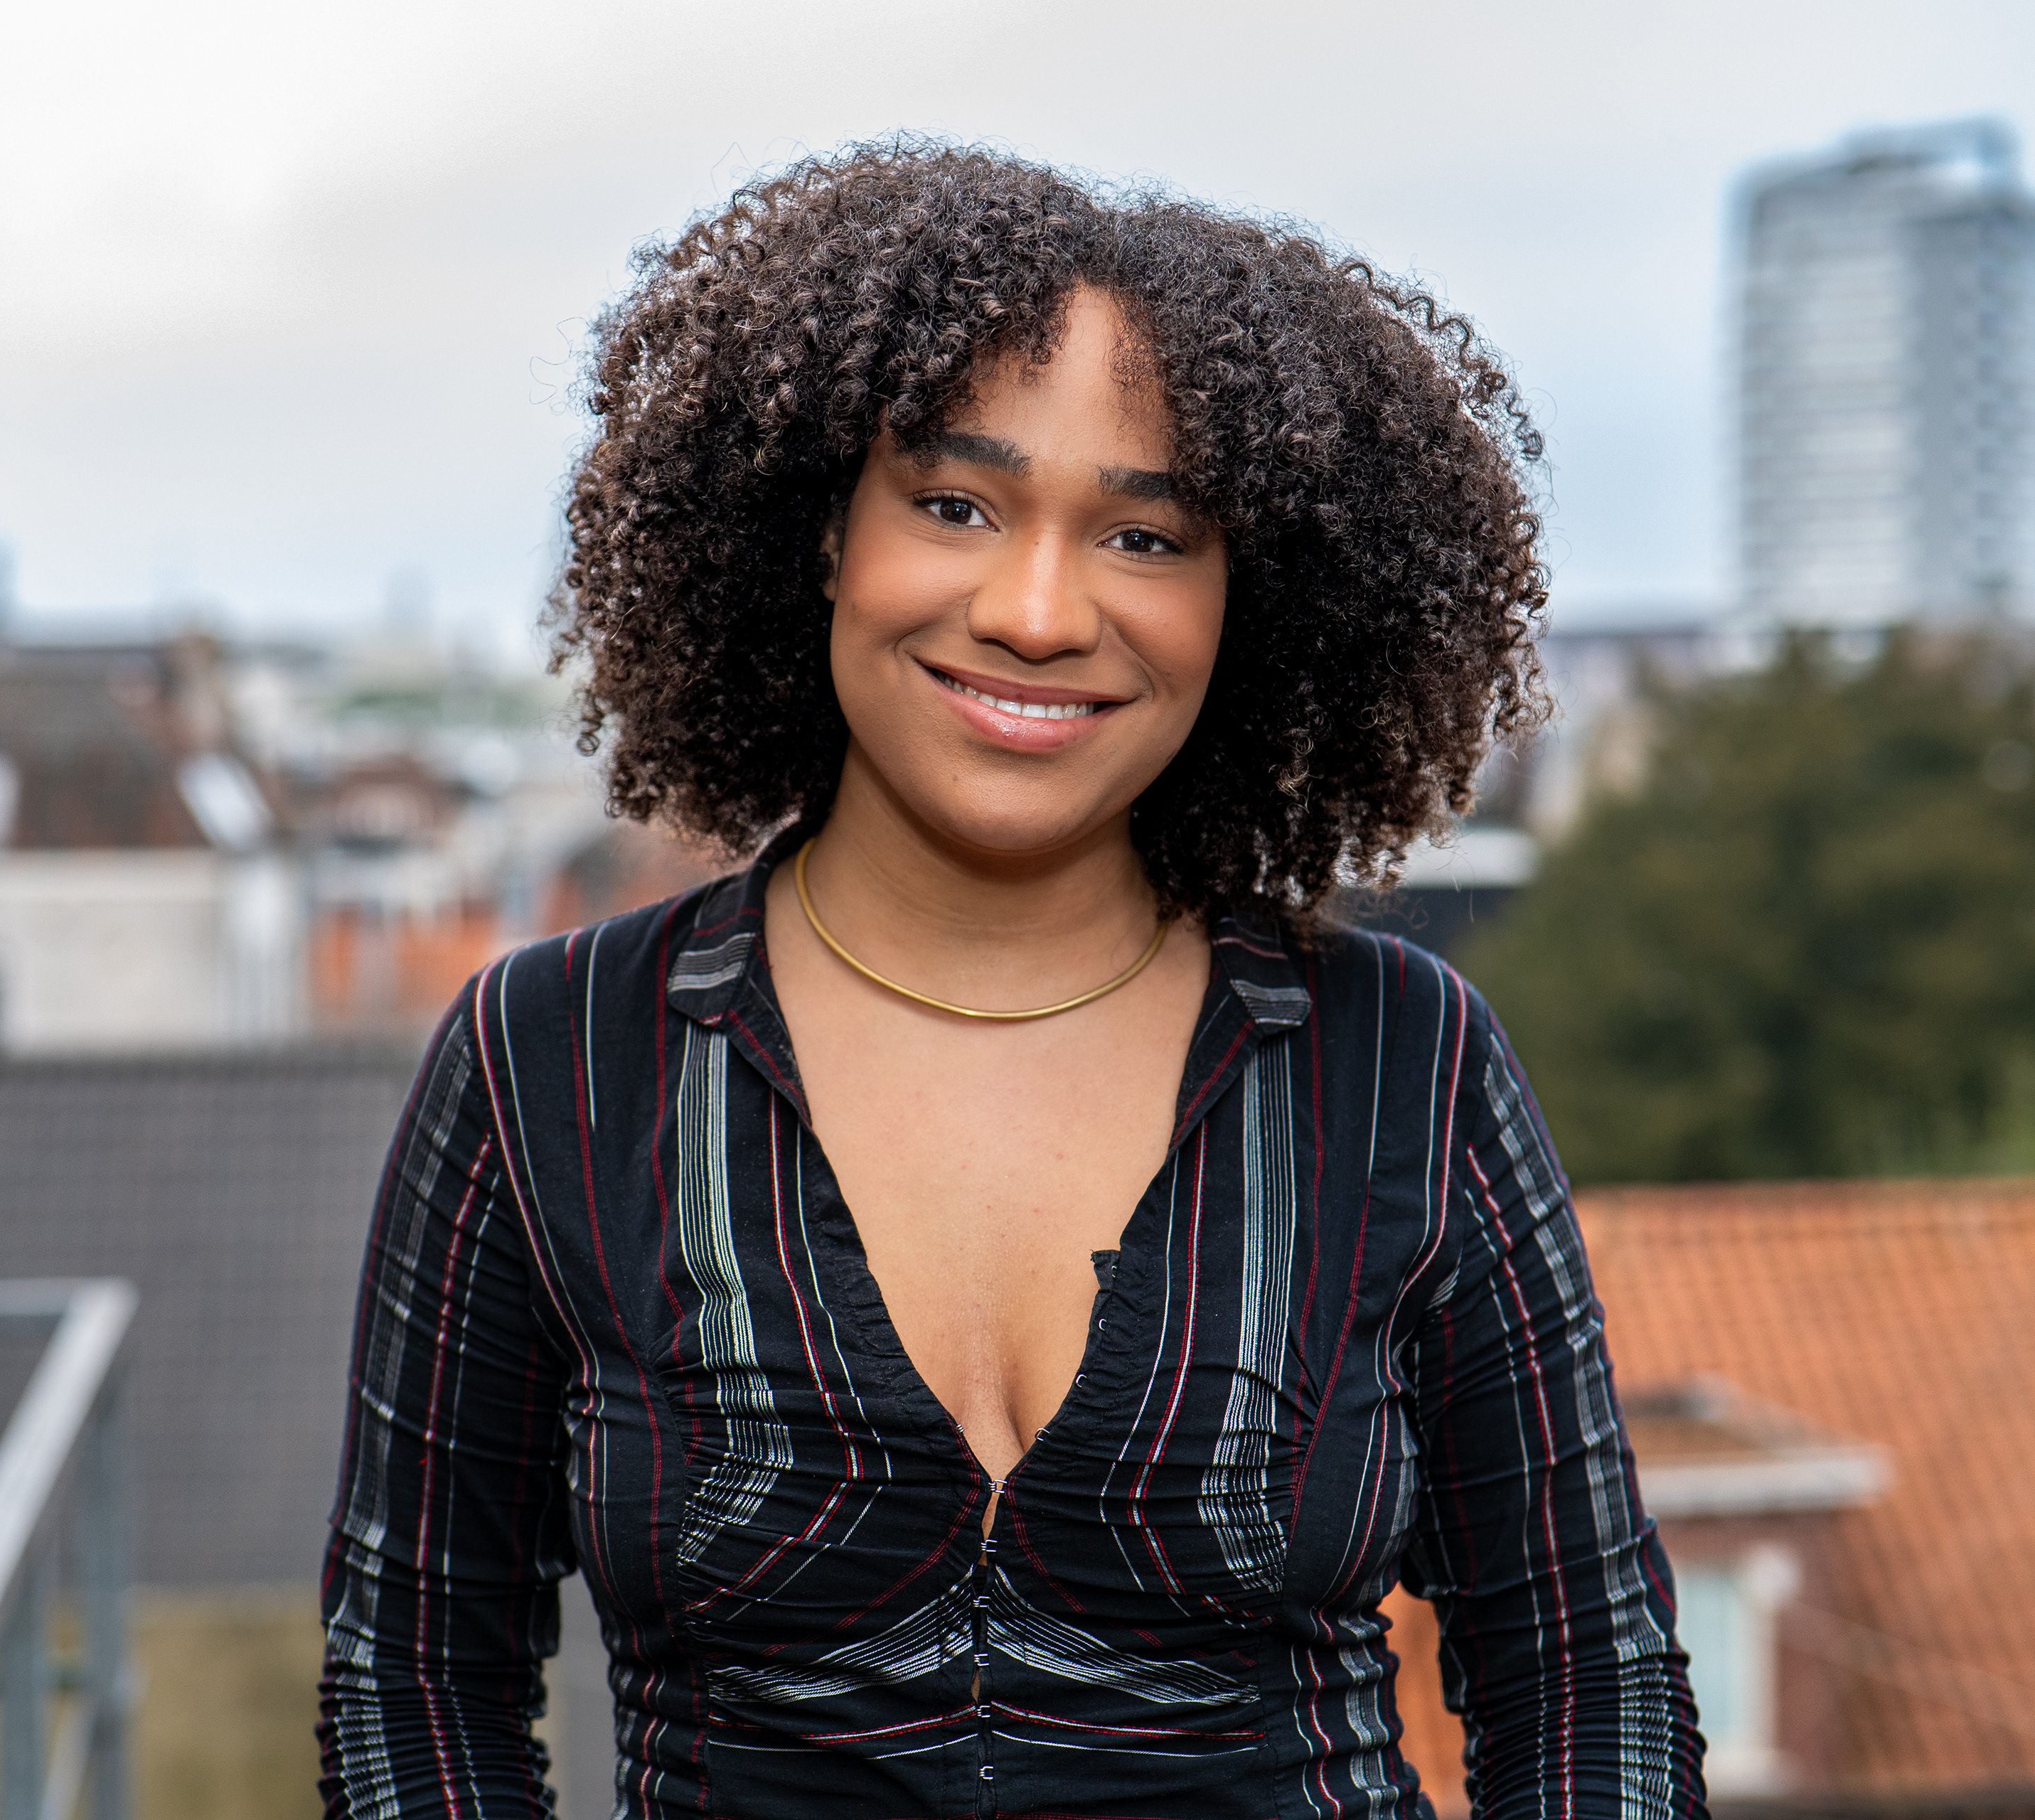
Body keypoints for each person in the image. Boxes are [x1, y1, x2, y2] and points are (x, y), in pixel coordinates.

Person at [318, 143, 1704, 1820]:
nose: (1039, 611)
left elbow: (1590, 1678)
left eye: (1144, 532)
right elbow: (413, 1682)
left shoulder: (1403, 1059)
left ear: (1249, 602)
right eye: (956, 504)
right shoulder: (553, 1056)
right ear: (821, 531)